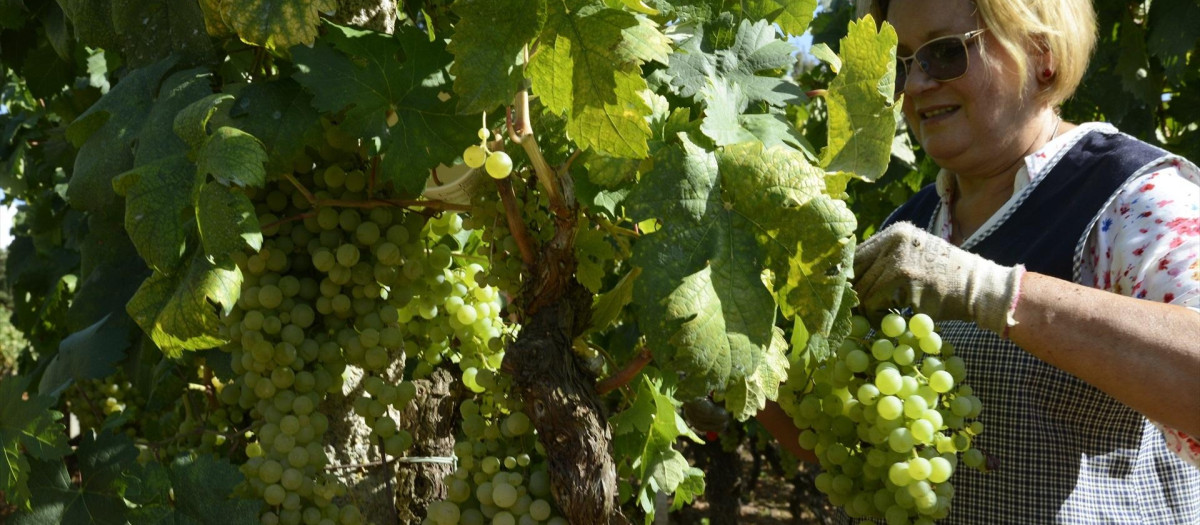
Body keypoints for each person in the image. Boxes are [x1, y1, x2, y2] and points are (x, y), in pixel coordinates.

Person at [760, 0, 1200, 522]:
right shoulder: (909, 228)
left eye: (945, 53)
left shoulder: (1129, 198)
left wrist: (992, 292)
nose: (916, 84)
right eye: (900, 65)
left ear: (1041, 54)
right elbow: (847, 442)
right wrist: (744, 362)